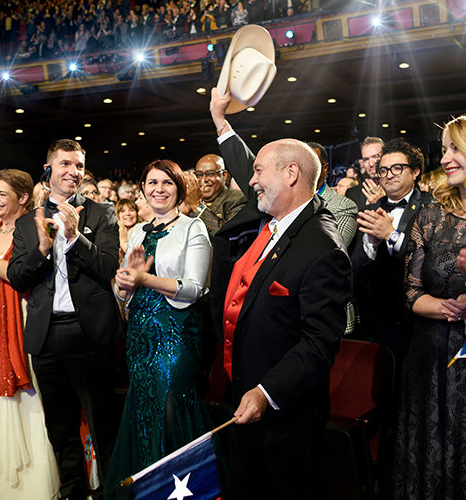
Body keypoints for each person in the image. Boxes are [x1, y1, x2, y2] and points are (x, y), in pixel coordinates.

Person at [209, 88, 351, 499]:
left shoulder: (322, 247)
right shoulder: (271, 222)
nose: (251, 181)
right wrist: (220, 121)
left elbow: (319, 343)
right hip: (244, 397)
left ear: (291, 174)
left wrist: (266, 392)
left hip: (284, 415)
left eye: (258, 171)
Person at [393, 113, 466, 499]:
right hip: (429, 364)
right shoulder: (429, 215)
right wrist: (446, 307)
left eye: (455, 148)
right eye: (444, 149)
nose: (444, 159)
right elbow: (411, 293)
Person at [7, 139, 123, 500]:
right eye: (66, 164)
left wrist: (74, 239)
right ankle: (72, 491)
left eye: (79, 165)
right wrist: (42, 250)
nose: (74, 172)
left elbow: (108, 267)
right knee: (60, 427)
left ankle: (111, 493)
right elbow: (17, 277)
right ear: (49, 169)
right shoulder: (27, 223)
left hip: (90, 334)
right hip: (46, 336)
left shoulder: (102, 213)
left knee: (103, 424)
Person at [104, 160, 212, 498]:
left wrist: (144, 277)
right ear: (143, 189)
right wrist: (125, 284)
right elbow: (124, 292)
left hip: (175, 333)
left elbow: (194, 288)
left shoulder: (193, 227)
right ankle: (148, 489)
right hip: (140, 334)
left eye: (167, 182)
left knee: (170, 407)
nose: (159, 189)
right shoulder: (138, 231)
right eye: (152, 183)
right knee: (144, 409)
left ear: (179, 188)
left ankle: (179, 488)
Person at [0, 169, 60, 499]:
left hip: (22, 322)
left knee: (30, 398)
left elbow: (21, 274)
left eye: (2, 194)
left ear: (22, 197)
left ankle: (32, 483)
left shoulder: (33, 229)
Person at [352, 138, 432, 365]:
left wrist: (391, 235)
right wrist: (371, 244)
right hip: (374, 321)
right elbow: (354, 267)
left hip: (417, 322)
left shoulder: (432, 206)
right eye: (384, 170)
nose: (389, 175)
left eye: (397, 168)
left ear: (415, 171)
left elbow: (432, 263)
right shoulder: (369, 210)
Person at [181, 153, 246, 241]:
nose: (204, 179)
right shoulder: (189, 200)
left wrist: (197, 206)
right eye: (199, 175)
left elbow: (228, 236)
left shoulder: (237, 199)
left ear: (224, 175)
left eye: (210, 174)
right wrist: (182, 213)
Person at [346, 136, 385, 210]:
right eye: (366, 159)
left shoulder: (398, 188)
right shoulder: (352, 194)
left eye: (375, 157)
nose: (371, 164)